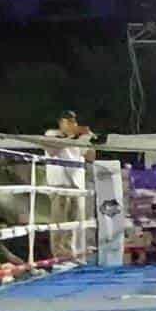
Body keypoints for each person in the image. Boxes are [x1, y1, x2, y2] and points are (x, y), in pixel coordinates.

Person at [43, 111, 95, 259]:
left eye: (74, 121)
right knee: (59, 221)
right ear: (61, 122)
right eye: (68, 121)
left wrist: (88, 139)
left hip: (77, 184)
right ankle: (58, 256)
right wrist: (72, 136)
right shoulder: (51, 134)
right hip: (59, 184)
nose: (72, 124)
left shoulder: (79, 137)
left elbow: (90, 157)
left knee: (74, 223)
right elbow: (52, 151)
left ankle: (71, 254)